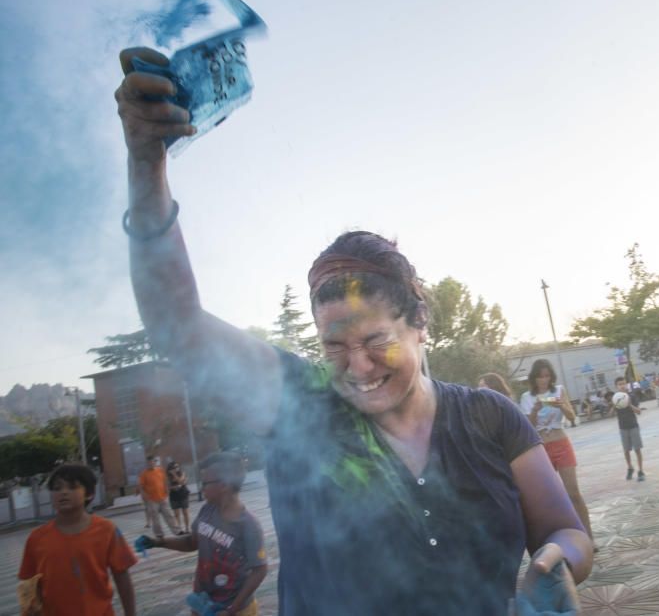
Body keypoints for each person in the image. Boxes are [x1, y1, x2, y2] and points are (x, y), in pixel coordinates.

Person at [114, 49, 592, 615]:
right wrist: (148, 164)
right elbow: (176, 324)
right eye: (335, 347)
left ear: (420, 324)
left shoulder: (490, 418)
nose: (358, 367)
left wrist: (554, 562)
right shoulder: (302, 405)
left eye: (374, 342)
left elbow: (566, 531)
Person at [139, 453, 268, 615]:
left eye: (205, 483)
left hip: (234, 609)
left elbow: (260, 570)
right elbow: (192, 542)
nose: (201, 488)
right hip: (204, 602)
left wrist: (231, 610)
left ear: (224, 485)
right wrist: (158, 542)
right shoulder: (207, 510)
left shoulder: (248, 525)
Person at [18, 464, 137, 616]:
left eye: (72, 487)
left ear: (89, 494)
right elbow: (29, 585)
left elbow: (122, 577)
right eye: (57, 488)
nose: (63, 492)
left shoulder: (107, 531)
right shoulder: (36, 538)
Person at [520, 359, 595, 544]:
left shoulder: (558, 390)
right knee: (548, 497)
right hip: (540, 448)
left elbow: (572, 416)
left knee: (573, 493)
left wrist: (561, 405)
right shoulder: (526, 397)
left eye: (547, 376)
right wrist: (535, 410)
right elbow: (528, 426)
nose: (544, 380)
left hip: (561, 442)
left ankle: (590, 538)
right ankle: (557, 539)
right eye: (540, 376)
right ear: (534, 377)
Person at [139, 455, 182, 539]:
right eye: (149, 462)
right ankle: (159, 534)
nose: (151, 463)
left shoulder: (160, 470)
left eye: (153, 462)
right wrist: (144, 495)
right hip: (152, 500)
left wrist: (167, 490)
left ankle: (177, 531)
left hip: (163, 498)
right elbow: (141, 486)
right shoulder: (144, 474)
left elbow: (164, 481)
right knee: (155, 518)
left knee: (169, 515)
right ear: (147, 463)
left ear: (155, 462)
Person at [612, 377, 645, 481]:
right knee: (626, 450)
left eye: (624, 383)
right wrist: (614, 405)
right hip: (622, 427)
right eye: (619, 384)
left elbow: (639, 411)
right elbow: (610, 414)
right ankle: (630, 467)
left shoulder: (632, 396)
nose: (622, 386)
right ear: (616, 386)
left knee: (637, 449)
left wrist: (629, 404)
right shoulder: (615, 398)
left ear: (626, 384)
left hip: (633, 425)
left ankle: (640, 470)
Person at [167, 460, 192, 534]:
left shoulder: (182, 473)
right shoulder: (168, 476)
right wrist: (172, 488)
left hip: (183, 494)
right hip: (174, 496)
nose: (176, 468)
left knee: (185, 513)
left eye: (177, 467)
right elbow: (167, 486)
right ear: (170, 468)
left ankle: (187, 528)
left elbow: (181, 481)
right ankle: (180, 529)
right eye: (174, 467)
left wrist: (174, 474)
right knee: (176, 514)